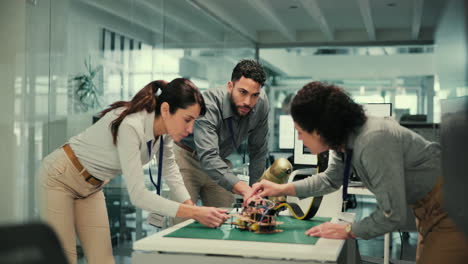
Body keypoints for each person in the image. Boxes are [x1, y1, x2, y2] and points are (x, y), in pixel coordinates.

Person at [248, 81, 468, 264]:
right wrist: (281, 188)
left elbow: (392, 215)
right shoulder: (342, 139)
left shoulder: (374, 139)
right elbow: (330, 179)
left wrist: (347, 229)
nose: (299, 139)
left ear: (320, 130)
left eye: (301, 132)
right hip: (428, 209)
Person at [37, 78, 230, 264]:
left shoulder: (165, 133)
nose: (190, 129)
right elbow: (138, 196)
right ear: (165, 110)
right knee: (64, 258)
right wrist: (195, 212)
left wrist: (191, 207)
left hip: (92, 187)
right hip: (60, 177)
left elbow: (170, 170)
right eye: (187, 119)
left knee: (102, 260)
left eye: (194, 121)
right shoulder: (131, 125)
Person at [174, 59, 269, 208]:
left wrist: (255, 192)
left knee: (225, 220)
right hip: (188, 160)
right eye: (242, 92)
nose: (248, 102)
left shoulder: (261, 103)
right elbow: (208, 157)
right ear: (230, 86)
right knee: (183, 219)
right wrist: (245, 189)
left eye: (254, 95)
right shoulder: (209, 103)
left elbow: (258, 151)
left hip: (220, 163)